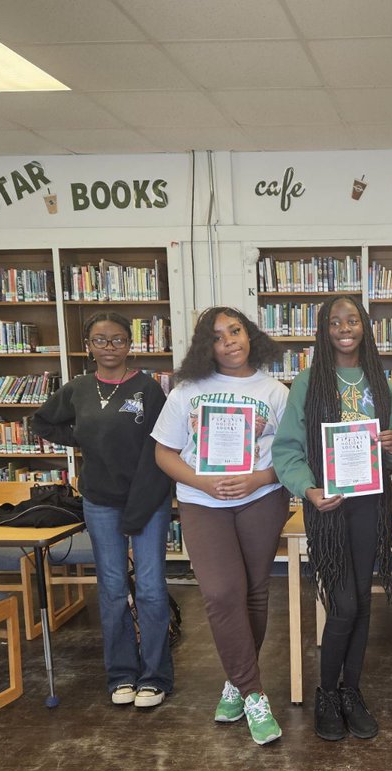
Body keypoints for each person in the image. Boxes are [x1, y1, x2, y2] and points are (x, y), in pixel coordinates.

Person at [151, 307, 289, 746]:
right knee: (220, 592)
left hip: (262, 498)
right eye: (218, 336)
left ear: (251, 336)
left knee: (253, 592)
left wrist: (260, 477)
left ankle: (235, 682)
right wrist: (202, 482)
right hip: (201, 502)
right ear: (204, 347)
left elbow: (290, 456)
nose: (230, 340)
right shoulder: (187, 391)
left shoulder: (275, 391)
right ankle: (254, 694)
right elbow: (165, 453)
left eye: (236, 330)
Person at [272, 296, 392, 742]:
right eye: (335, 322)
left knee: (363, 602)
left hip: (371, 504)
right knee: (343, 603)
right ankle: (326, 693)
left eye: (352, 320)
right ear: (324, 331)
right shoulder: (308, 383)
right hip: (327, 508)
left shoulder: (380, 382)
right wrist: (308, 489)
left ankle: (351, 691)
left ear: (364, 327)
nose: (344, 328)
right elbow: (288, 449)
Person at [33, 312, 173, 708]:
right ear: (88, 346)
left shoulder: (149, 389)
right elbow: (42, 422)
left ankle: (155, 676)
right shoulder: (78, 388)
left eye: (116, 340)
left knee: (149, 588)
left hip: (147, 497)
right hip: (100, 500)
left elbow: (164, 444)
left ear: (131, 344)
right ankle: (121, 675)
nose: (108, 347)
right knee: (111, 589)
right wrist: (79, 438)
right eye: (99, 340)